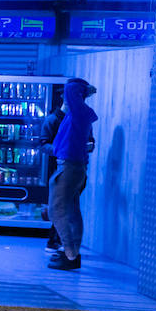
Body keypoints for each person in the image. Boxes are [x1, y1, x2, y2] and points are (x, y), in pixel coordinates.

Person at [49, 78, 98, 271]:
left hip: (69, 167)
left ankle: (69, 252)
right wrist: (85, 92)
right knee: (72, 211)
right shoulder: (79, 114)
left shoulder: (78, 112)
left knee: (56, 210)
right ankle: (73, 252)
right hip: (76, 167)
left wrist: (83, 89)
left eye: (66, 95)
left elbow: (71, 87)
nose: (64, 97)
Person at [39, 92, 66, 257]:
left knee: (65, 205)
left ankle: (57, 240)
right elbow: (43, 144)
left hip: (73, 167)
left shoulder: (79, 119)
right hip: (56, 168)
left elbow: (90, 140)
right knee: (60, 205)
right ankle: (55, 240)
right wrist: (61, 150)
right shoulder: (52, 120)